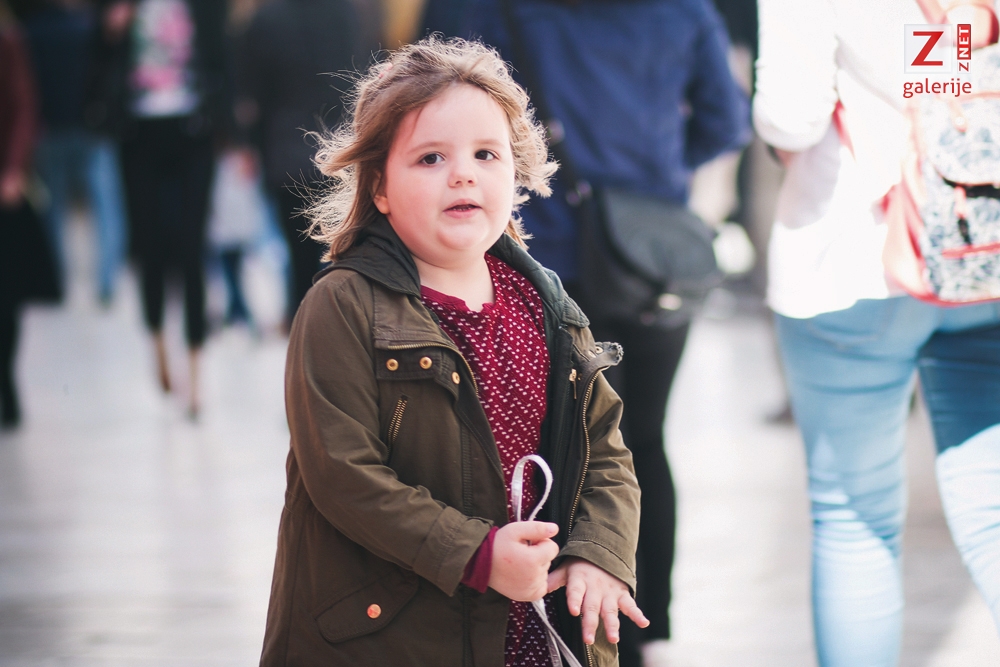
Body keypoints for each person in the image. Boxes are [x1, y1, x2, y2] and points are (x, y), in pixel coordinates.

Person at [260, 37, 647, 666]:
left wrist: (598, 554)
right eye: (431, 157)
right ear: (380, 187)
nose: (463, 173)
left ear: (515, 175)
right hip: (395, 636)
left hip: (530, 626)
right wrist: (478, 554)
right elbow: (343, 475)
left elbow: (603, 447)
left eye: (485, 154)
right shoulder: (342, 305)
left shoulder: (544, 301)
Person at [459, 2, 750, 665]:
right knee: (643, 439)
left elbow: (464, 112)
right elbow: (726, 122)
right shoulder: (684, 11)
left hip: (549, 259)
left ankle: (566, 626)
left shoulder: (508, 10)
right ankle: (642, 625)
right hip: (652, 254)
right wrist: (656, 174)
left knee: (557, 448)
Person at [754, 1, 1000, 665]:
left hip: (853, 262)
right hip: (980, 253)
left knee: (854, 520)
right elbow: (944, 62)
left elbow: (790, 117)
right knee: (994, 508)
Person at [90, 0, 230, 416]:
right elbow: (95, 64)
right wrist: (110, 32)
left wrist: (233, 131)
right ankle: (157, 344)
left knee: (192, 247)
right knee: (149, 246)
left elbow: (222, 57)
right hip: (137, 134)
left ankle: (196, 371)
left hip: (194, 131)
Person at [235, 0, 374, 326]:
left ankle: (304, 328)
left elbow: (254, 93)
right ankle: (340, 326)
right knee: (340, 251)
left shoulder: (266, 18)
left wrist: (252, 146)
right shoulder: (346, 12)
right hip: (341, 150)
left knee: (299, 255)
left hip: (286, 151)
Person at [23, 0, 128, 304]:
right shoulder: (90, 28)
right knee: (106, 208)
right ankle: (106, 280)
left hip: (52, 128)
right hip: (92, 128)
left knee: (53, 211)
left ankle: (57, 280)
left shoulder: (33, 31)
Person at [0, 0, 60, 428]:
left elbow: (24, 105)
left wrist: (13, 170)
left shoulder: (8, 40)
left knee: (6, 297)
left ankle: (5, 379)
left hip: (4, 189)